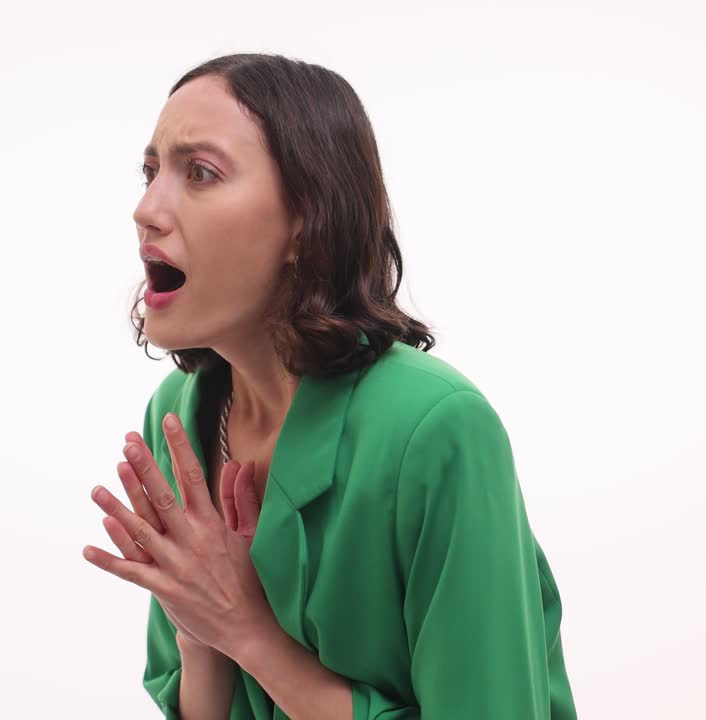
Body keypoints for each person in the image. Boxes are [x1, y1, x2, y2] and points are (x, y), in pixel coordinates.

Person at [81, 53, 577, 719]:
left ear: (305, 224)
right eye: (151, 173)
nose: (147, 208)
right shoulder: (179, 418)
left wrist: (248, 635)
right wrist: (201, 642)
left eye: (200, 173)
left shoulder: (434, 429)